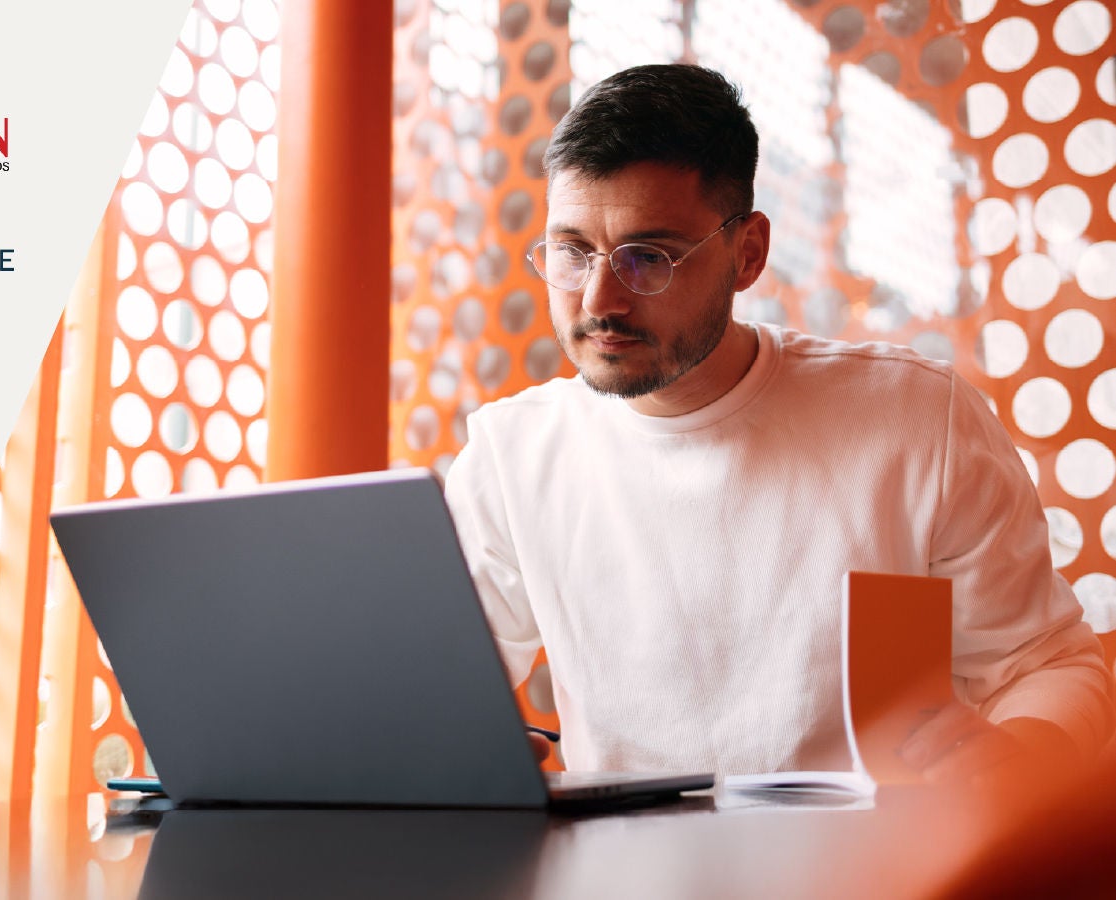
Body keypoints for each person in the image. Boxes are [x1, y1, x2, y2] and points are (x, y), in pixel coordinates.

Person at [443, 63, 1114, 780]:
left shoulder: (916, 419)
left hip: (878, 850)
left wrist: (1022, 756)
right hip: (616, 851)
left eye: (648, 258)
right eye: (572, 252)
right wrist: (453, 755)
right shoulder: (510, 456)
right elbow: (431, 691)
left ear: (748, 254)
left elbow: (1046, 664)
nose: (598, 299)